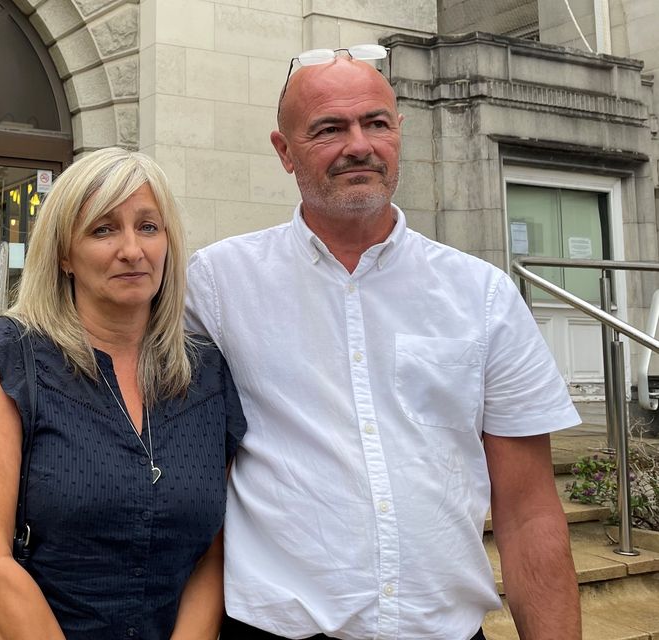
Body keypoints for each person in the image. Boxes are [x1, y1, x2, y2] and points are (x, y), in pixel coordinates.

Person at [185, 47, 582, 639]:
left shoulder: (483, 295)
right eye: (329, 129)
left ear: (399, 133)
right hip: (275, 629)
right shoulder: (218, 285)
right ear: (283, 152)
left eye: (375, 123)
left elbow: (528, 513)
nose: (359, 145)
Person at [0, 147, 247, 639]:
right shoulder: (9, 358)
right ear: (64, 254)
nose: (133, 249)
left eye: (148, 227)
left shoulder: (206, 372)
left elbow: (211, 554)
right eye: (103, 229)